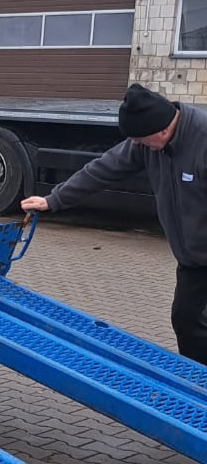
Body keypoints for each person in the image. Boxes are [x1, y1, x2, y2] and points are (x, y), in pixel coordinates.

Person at [21, 82, 207, 362]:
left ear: (163, 131)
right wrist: (53, 200)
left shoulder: (202, 140)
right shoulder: (148, 141)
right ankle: (198, 387)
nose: (137, 146)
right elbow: (103, 169)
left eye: (141, 141)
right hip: (193, 260)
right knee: (186, 321)